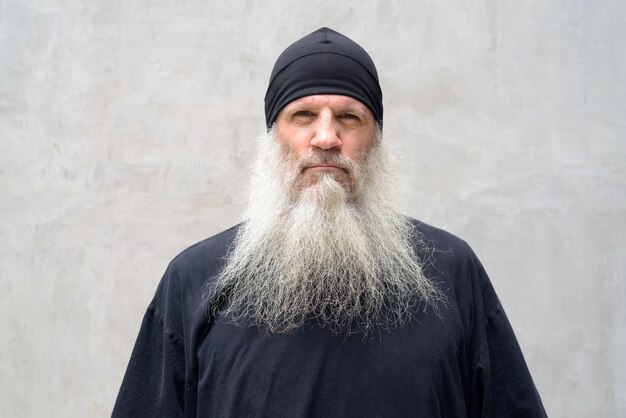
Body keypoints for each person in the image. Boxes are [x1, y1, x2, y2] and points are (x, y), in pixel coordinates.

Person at [112, 27, 547, 417]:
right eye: (302, 115)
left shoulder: (451, 271)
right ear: (273, 136)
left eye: (349, 117)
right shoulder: (195, 280)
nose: (325, 137)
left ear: (376, 140)